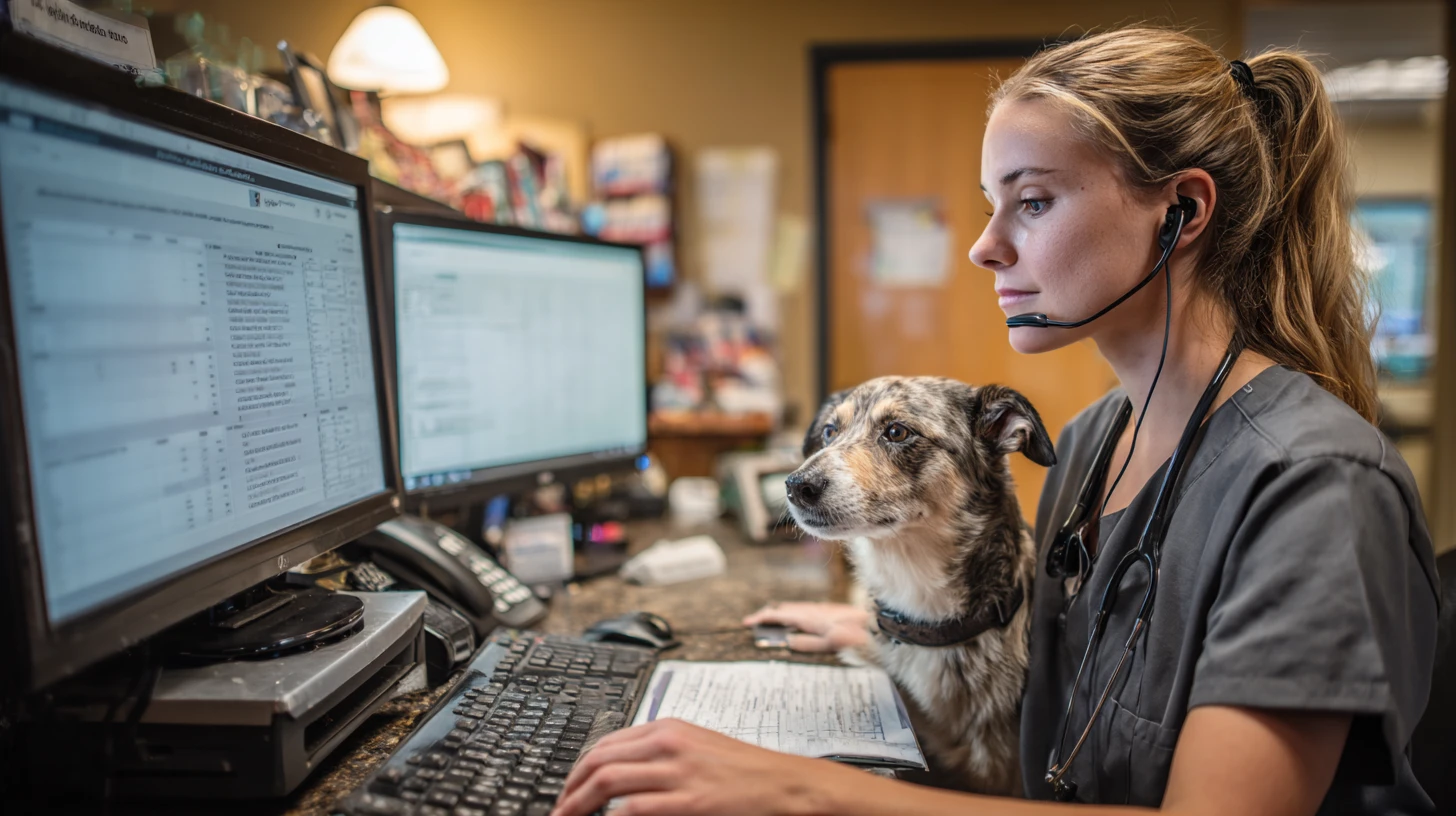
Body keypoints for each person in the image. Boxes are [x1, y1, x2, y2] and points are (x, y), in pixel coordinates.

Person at [551, 27, 1439, 816]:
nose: (984, 245)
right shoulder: (1096, 441)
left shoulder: (1314, 487)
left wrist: (801, 788)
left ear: (1184, 213)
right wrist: (892, 629)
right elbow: (1091, 660)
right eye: (990, 203)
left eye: (1035, 200)